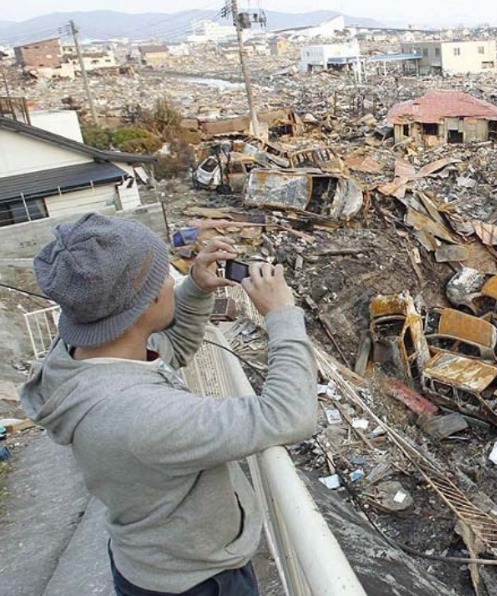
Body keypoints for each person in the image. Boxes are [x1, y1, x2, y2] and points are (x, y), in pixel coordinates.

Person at [19, 213, 318, 596]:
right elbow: (289, 415)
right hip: (198, 581)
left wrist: (194, 289)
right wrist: (282, 316)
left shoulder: (77, 356)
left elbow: (169, 348)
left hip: (152, 563)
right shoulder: (140, 415)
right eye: (163, 275)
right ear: (140, 306)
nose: (170, 280)